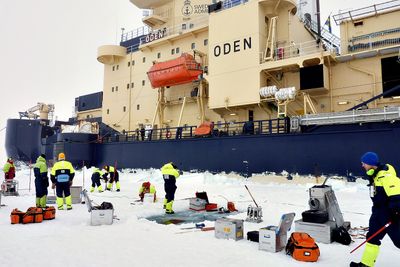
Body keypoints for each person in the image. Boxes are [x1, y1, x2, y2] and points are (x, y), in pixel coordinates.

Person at [350, 152, 400, 267]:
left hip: (389, 215)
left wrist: (396, 213)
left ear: (371, 164)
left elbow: (397, 196)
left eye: (364, 163)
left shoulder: (386, 177)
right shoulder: (375, 176)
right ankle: (366, 264)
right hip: (378, 214)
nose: (362, 166)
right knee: (372, 237)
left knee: (399, 241)